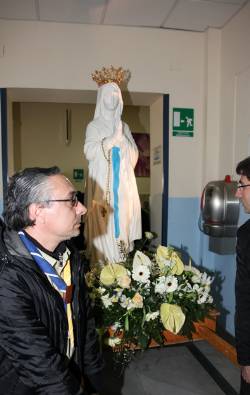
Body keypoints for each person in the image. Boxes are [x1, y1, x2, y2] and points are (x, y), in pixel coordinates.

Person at [0, 166, 103, 395]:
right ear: (37, 211)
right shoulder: (7, 276)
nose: (83, 209)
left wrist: (95, 382)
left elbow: (85, 327)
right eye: (72, 200)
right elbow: (39, 364)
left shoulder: (70, 255)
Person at [84, 82, 141, 265]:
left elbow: (133, 158)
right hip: (102, 190)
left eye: (116, 93)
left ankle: (121, 267)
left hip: (123, 190)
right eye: (109, 93)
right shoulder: (94, 126)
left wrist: (122, 140)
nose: (113, 96)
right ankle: (103, 270)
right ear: (101, 97)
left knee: (122, 227)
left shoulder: (124, 127)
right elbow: (89, 151)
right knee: (103, 232)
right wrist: (110, 141)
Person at [235, 156, 250, 394]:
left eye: (242, 186)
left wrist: (247, 359)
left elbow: (246, 300)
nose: (238, 194)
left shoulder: (247, 236)